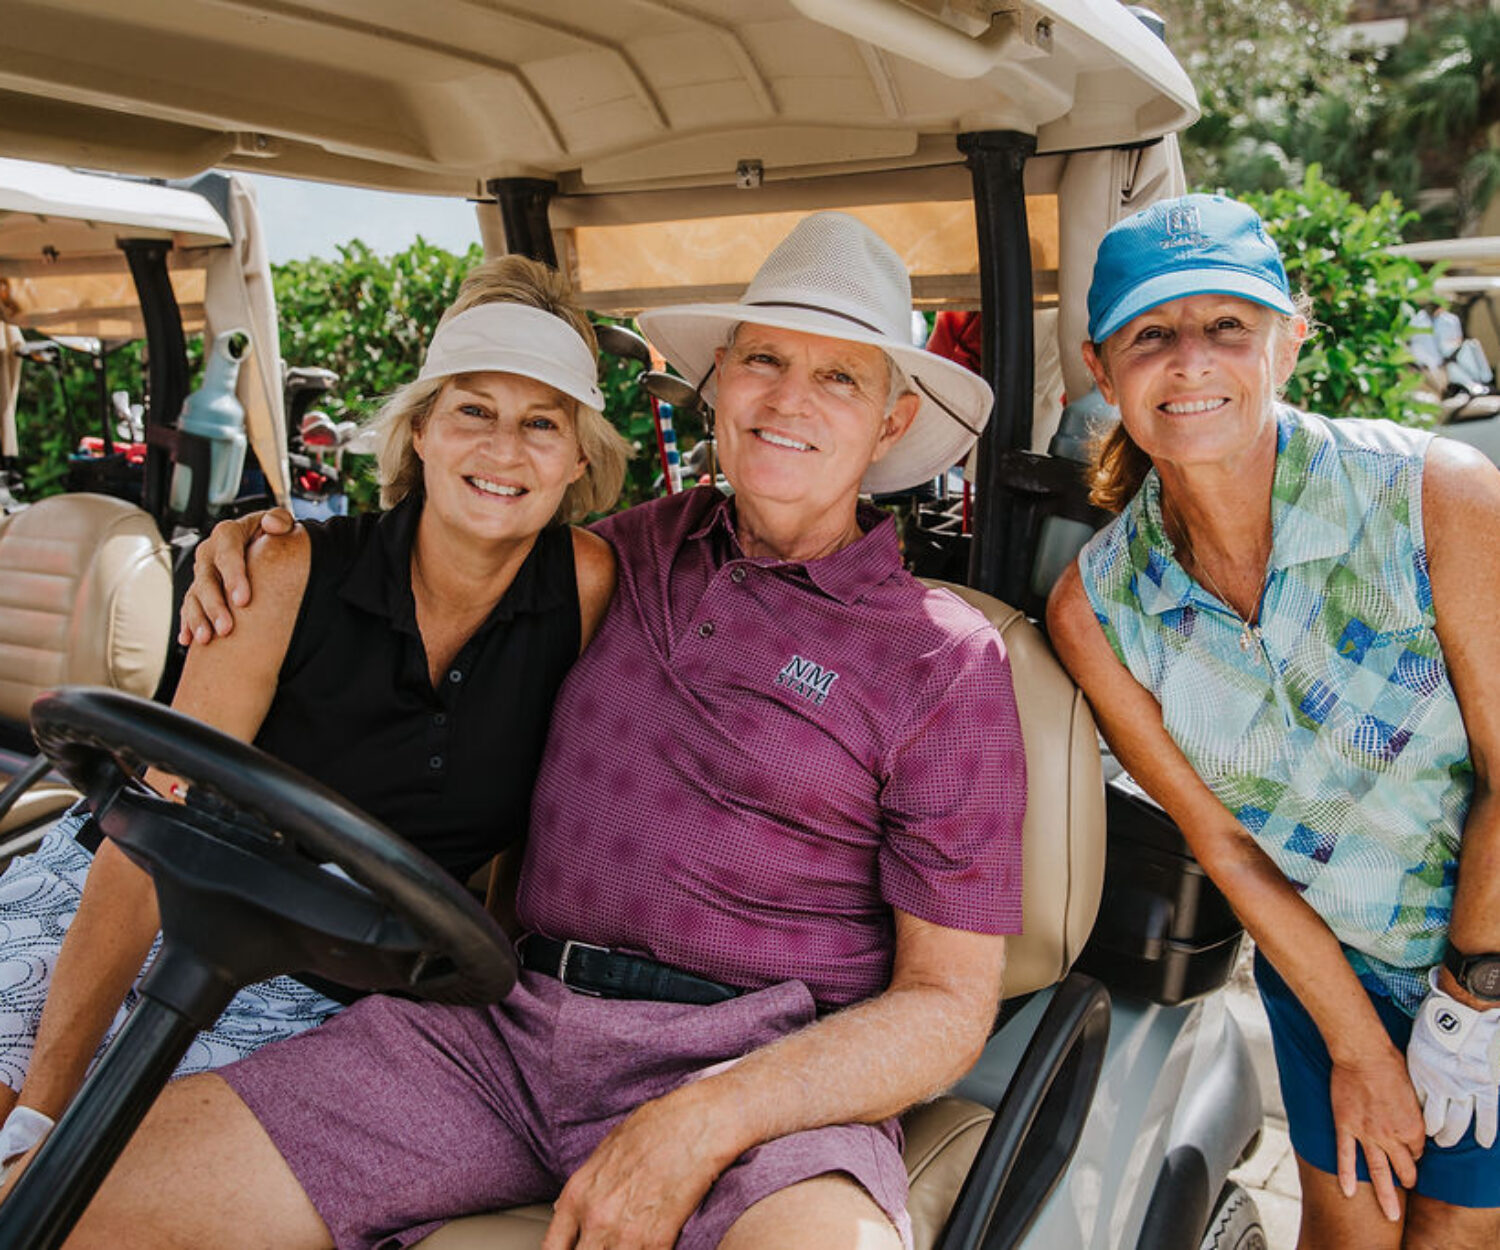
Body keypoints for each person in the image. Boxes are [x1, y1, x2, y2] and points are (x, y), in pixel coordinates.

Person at [59, 211, 1025, 1250]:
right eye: (766, 361)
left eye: (841, 378)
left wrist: (705, 1115)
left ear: (892, 422)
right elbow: (461, 531)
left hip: (756, 1065)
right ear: (718, 386)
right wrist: (252, 537)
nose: (791, 398)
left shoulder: (943, 658)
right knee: (75, 1196)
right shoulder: (629, 554)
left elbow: (945, 1004)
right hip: (502, 1022)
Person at [0, 255, 627, 1174]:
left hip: (327, 974)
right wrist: (41, 1117)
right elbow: (149, 834)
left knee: (143, 1183)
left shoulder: (587, 585)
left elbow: (519, 839)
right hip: (119, 905)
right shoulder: (286, 574)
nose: (505, 450)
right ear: (419, 432)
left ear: (579, 457)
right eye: (474, 411)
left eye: (542, 422)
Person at [1047, 193, 1500, 1248]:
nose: (1190, 362)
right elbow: (1225, 843)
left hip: (1489, 947)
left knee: (1451, 1235)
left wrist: (1468, 1005)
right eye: (1152, 334)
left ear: (1288, 344)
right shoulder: (1096, 605)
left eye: (1227, 327)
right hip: (1322, 965)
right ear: (1103, 367)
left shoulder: (1437, 497)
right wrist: (1360, 1041)